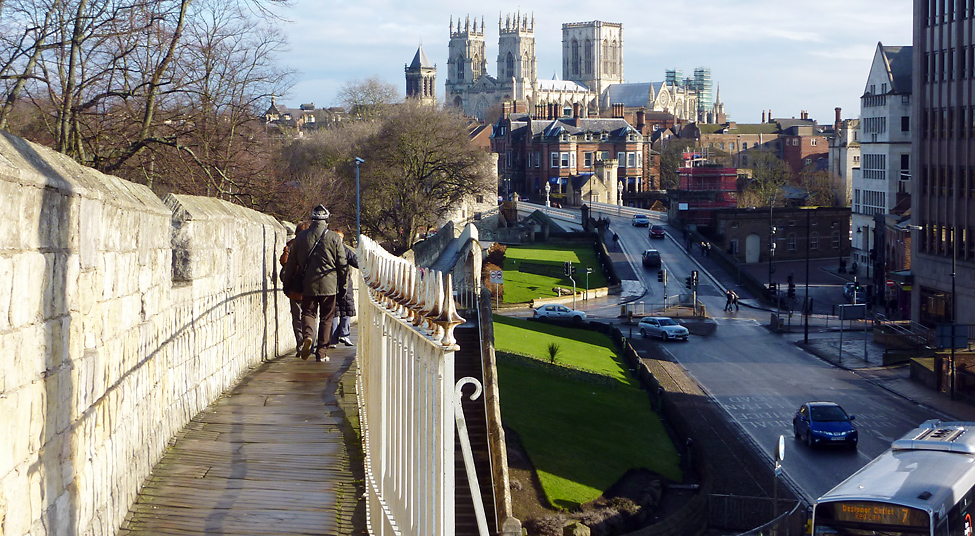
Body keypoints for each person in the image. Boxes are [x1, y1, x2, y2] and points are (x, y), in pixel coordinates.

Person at [282, 204, 349, 362]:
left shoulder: (301, 237)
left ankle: (308, 337)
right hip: (329, 285)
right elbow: (342, 264)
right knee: (326, 318)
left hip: (308, 284)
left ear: (312, 219)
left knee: (308, 313)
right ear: (326, 220)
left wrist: (287, 284)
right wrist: (343, 285)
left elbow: (291, 263)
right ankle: (321, 353)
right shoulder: (333, 238)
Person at [280, 221, 310, 358]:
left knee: (297, 318)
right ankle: (309, 341)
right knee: (310, 316)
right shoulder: (314, 245)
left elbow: (285, 264)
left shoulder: (291, 245)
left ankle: (300, 345)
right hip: (310, 288)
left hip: (294, 289)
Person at [328, 229, 359, 348]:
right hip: (341, 283)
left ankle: (338, 337)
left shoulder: (330, 250)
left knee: (340, 309)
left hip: (334, 283)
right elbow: (356, 262)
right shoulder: (343, 250)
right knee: (340, 310)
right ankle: (340, 336)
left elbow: (356, 262)